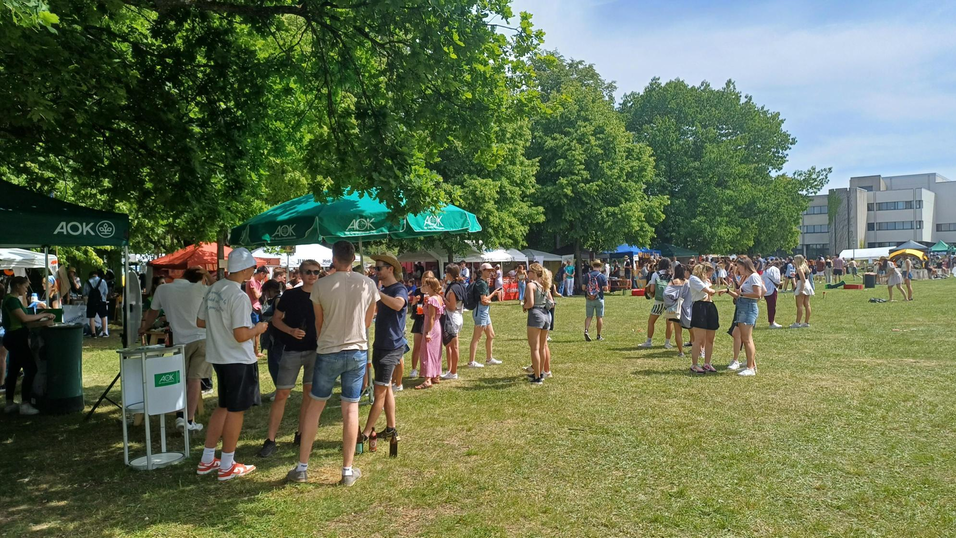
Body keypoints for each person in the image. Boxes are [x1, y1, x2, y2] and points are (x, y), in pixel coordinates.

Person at [288, 241, 379, 485]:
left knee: (315, 407)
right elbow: (368, 321)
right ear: (353, 258)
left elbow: (319, 322)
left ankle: (302, 467)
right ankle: (347, 471)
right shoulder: (368, 283)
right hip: (356, 349)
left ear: (334, 259)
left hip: (328, 349)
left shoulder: (321, 285)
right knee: (350, 409)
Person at [195, 248, 268, 481]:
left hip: (219, 357)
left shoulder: (214, 289)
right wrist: (259, 329)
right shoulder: (238, 296)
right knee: (236, 411)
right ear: (246, 270)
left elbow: (200, 321)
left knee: (223, 407)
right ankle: (227, 464)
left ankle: (207, 459)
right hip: (237, 359)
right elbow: (240, 334)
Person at [255, 260, 320, 458]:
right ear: (300, 274)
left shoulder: (323, 295)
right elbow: (276, 319)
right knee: (282, 394)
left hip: (315, 351)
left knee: (309, 394)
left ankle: (301, 434)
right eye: (308, 272)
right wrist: (291, 331)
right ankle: (271, 439)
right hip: (292, 350)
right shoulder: (291, 295)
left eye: (316, 272)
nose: (312, 275)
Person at [140, 267, 211, 432]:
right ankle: (187, 419)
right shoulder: (201, 288)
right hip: (202, 338)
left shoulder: (163, 289)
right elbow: (217, 289)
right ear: (200, 280)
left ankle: (180, 415)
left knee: (181, 379)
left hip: (180, 341)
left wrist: (144, 328)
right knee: (195, 380)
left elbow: (152, 312)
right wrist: (207, 275)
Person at [359, 254, 407, 445]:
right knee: (386, 388)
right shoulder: (385, 289)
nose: (375, 271)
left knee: (378, 392)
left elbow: (398, 304)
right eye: (375, 268)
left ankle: (365, 432)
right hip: (381, 344)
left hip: (391, 346)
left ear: (390, 269)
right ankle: (391, 428)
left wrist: (378, 294)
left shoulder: (399, 288)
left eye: (379, 268)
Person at [3, 276, 55, 415]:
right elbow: (24, 319)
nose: (26, 289)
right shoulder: (12, 301)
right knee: (31, 368)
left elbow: (25, 322)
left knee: (14, 370)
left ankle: (9, 403)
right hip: (16, 338)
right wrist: (42, 315)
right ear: (17, 286)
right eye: (25, 286)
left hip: (15, 336)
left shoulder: (12, 300)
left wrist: (41, 320)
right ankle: (25, 404)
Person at [726, 256, 764, 376]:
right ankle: (750, 363)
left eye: (739, 266)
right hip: (743, 307)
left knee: (747, 339)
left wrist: (741, 293)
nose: (737, 268)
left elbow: (758, 294)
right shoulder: (748, 277)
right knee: (739, 335)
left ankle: (750, 367)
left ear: (745, 266)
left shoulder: (753, 277)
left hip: (748, 308)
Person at [522, 263, 552, 385]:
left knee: (534, 347)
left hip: (535, 315)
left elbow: (530, 303)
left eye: (529, 271)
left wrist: (524, 306)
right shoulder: (545, 285)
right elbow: (551, 302)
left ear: (533, 273)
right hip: (546, 315)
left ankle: (537, 376)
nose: (527, 273)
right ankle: (542, 373)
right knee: (542, 346)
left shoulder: (531, 285)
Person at [689, 264, 722, 374]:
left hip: (710, 306)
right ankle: (694, 364)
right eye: (710, 273)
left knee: (710, 338)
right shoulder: (694, 279)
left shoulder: (705, 281)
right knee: (699, 339)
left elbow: (709, 293)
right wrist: (712, 289)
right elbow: (709, 291)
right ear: (704, 271)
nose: (711, 275)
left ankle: (707, 363)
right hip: (700, 307)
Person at [467, 263, 500, 368]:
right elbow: (484, 300)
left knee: (491, 335)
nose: (490, 272)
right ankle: (471, 362)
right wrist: (493, 294)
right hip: (480, 311)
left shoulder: (483, 282)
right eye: (488, 270)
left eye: (491, 270)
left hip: (484, 311)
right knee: (477, 337)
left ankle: (489, 358)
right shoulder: (481, 283)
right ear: (482, 271)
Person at [416, 276, 445, 389]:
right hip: (437, 326)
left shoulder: (432, 299)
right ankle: (435, 375)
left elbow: (432, 317)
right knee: (435, 352)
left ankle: (428, 379)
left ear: (430, 286)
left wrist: (427, 331)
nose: (423, 287)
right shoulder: (438, 297)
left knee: (427, 352)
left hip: (431, 327)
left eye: (425, 285)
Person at [638, 259, 673, 348]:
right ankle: (667, 343)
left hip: (659, 301)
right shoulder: (672, 274)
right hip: (670, 301)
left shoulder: (655, 274)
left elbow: (652, 289)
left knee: (651, 321)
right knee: (669, 323)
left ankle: (649, 341)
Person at [441, 264, 466, 380]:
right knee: (452, 346)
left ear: (449, 274)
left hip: (452, 317)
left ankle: (454, 372)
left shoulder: (453, 288)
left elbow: (451, 306)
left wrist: (442, 298)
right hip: (458, 316)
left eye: (446, 273)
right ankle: (451, 370)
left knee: (454, 346)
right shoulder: (460, 285)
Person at [663, 265, 692, 358]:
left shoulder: (672, 282)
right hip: (686, 309)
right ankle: (698, 349)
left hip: (675, 310)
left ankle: (681, 352)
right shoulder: (688, 282)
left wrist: (672, 302)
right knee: (692, 330)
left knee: (678, 332)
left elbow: (666, 294)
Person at [407, 273, 428, 379]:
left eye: (429, 277)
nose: (426, 280)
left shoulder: (433, 292)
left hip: (430, 320)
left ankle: (426, 369)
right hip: (419, 320)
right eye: (425, 277)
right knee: (417, 346)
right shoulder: (418, 291)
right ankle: (414, 369)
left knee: (428, 347)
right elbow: (415, 311)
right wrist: (414, 302)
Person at [582, 260, 609, 342]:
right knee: (599, 317)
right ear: (600, 267)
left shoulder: (587, 275)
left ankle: (586, 330)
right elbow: (606, 288)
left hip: (589, 298)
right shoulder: (602, 276)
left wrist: (590, 293)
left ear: (592, 266)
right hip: (599, 298)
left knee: (589, 316)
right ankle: (598, 335)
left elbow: (583, 288)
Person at [246, 265, 268, 358]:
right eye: (265, 275)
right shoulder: (251, 281)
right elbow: (256, 296)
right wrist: (263, 291)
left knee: (257, 332)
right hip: (253, 309)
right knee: (254, 331)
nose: (264, 278)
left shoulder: (258, 282)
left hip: (257, 309)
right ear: (261, 273)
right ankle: (253, 351)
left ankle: (255, 351)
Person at [84, 270, 110, 337]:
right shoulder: (103, 281)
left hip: (91, 302)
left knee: (91, 317)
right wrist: (104, 300)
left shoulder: (87, 282)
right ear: (97, 275)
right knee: (103, 317)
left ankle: (93, 333)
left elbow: (85, 293)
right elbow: (106, 292)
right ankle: (104, 332)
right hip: (101, 301)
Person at [791, 254, 814, 328]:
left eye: (795, 260)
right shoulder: (805, 267)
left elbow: (802, 280)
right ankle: (806, 322)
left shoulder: (799, 268)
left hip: (802, 285)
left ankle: (797, 323)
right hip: (807, 285)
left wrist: (801, 289)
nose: (793, 261)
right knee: (807, 304)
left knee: (799, 305)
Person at [762, 261, 782, 329]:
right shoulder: (775, 269)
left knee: (769, 306)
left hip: (766, 289)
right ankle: (772, 322)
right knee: (772, 307)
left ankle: (771, 321)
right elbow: (777, 280)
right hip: (772, 289)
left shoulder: (766, 269)